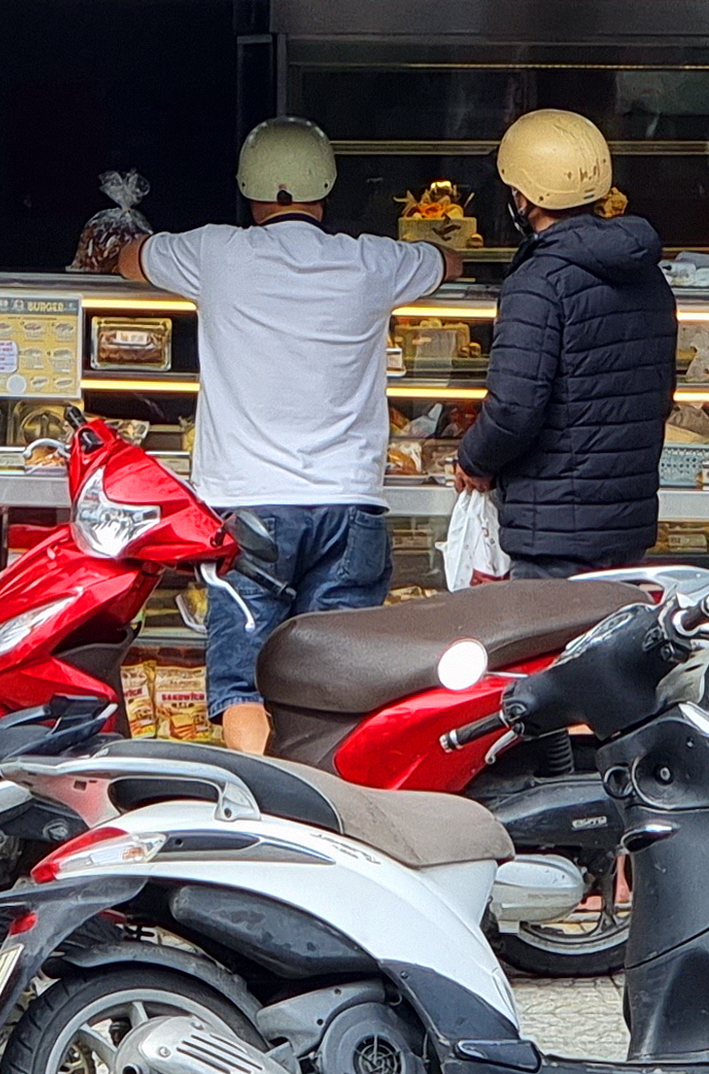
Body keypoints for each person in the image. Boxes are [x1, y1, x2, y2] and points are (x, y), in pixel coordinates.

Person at [120, 119, 459, 756]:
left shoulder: (215, 252)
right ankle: (333, 808)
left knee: (241, 678)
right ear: (326, 188)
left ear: (248, 191)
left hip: (251, 513)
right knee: (335, 682)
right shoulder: (372, 260)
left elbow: (128, 259)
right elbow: (450, 262)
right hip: (351, 507)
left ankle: (259, 810)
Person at [452, 110, 678, 581]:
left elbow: (514, 409)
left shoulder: (538, 281)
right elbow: (657, 393)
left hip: (553, 534)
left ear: (526, 197)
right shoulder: (646, 273)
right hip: (626, 533)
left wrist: (473, 458)